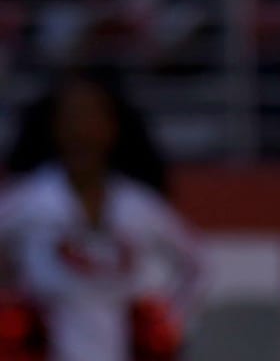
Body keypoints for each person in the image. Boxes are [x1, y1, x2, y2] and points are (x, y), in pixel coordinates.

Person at [0, 68, 204, 361]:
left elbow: (198, 266)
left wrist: (167, 324)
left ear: (114, 126)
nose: (80, 129)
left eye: (92, 116)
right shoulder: (31, 200)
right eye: (71, 116)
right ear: (53, 125)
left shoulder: (138, 204)